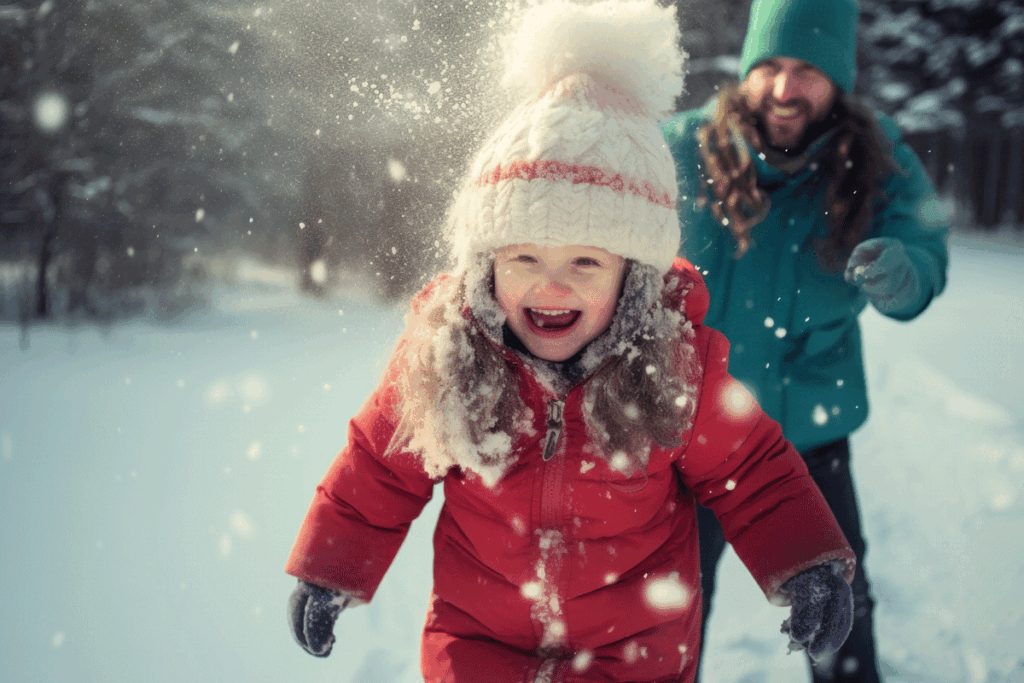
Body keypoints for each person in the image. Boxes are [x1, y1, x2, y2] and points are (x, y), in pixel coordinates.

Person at [285, 2, 859, 681]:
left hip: (633, 645)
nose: (549, 286)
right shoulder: (448, 357)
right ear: (485, 263)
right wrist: (330, 567)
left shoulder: (674, 366)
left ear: (633, 276)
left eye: (584, 263)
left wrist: (807, 564)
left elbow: (753, 472)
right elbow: (380, 465)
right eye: (523, 259)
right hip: (478, 640)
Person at [661, 0, 951, 681]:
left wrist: (905, 272)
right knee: (668, 614)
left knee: (839, 613)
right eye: (771, 67)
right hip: (687, 437)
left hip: (809, 438)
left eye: (808, 71)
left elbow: (925, 242)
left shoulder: (878, 160)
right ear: (747, 69)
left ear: (839, 79)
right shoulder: (677, 148)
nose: (785, 90)